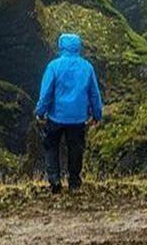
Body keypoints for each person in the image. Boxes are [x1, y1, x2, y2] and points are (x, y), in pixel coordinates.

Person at [35, 33, 103, 193]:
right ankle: (74, 183)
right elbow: (94, 94)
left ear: (61, 46)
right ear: (78, 47)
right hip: (78, 118)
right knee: (76, 150)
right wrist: (97, 114)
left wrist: (40, 112)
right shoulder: (87, 67)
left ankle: (55, 180)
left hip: (56, 117)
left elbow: (46, 93)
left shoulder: (53, 66)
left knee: (51, 146)